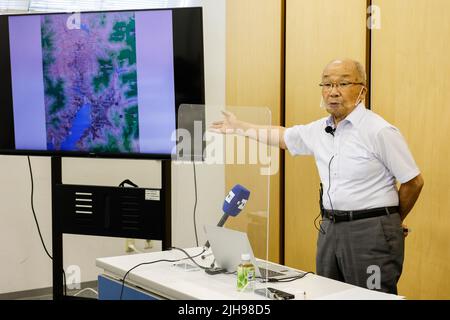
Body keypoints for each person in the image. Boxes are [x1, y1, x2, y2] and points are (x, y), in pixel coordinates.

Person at [209, 59, 424, 294]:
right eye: (327, 84)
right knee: (328, 294)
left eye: (343, 83)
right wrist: (239, 126)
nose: (333, 92)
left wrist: (389, 221)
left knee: (370, 297)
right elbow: (282, 136)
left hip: (370, 233)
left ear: (362, 90)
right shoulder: (320, 129)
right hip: (329, 228)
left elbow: (413, 181)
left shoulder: (379, 131)